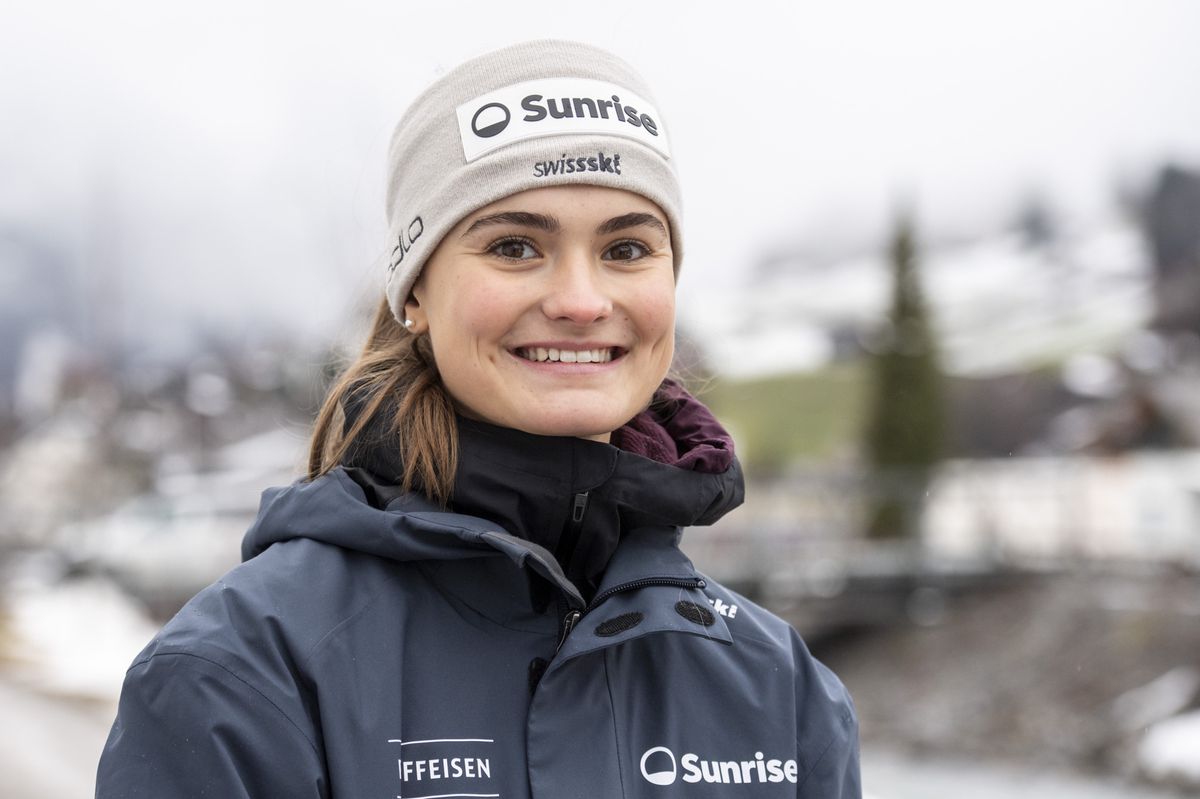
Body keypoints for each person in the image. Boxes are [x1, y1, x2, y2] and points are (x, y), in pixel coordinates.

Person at [96, 40, 860, 797]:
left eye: (627, 247)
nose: (582, 300)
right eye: (516, 245)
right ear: (416, 292)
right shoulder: (239, 674)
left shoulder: (780, 690)